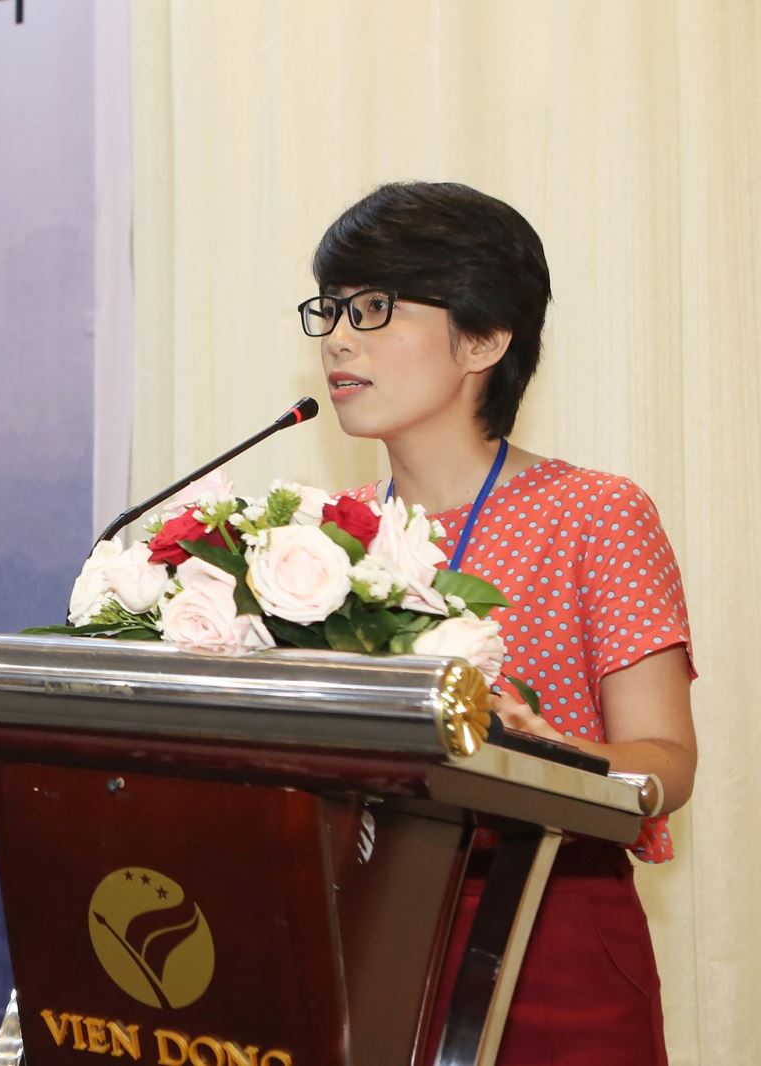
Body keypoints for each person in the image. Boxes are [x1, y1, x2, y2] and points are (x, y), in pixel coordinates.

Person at [299, 182, 697, 1064]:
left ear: (484, 337)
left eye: (374, 308)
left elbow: (668, 765)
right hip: (366, 931)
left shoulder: (594, 512)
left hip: (549, 925)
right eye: (330, 308)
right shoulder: (318, 544)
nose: (337, 338)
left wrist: (546, 756)